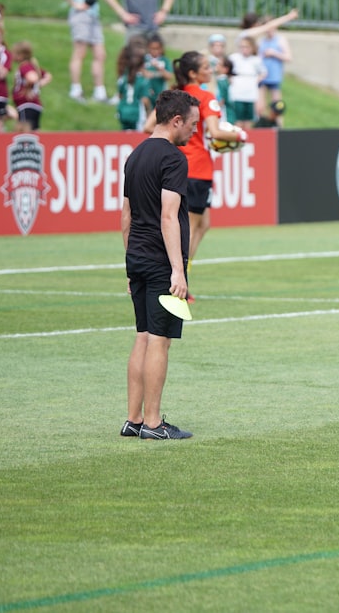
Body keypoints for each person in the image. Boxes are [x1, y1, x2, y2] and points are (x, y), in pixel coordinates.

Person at [121, 88, 200, 440]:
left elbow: (126, 215)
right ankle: (153, 423)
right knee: (159, 340)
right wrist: (178, 271)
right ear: (176, 120)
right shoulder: (172, 159)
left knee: (141, 337)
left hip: (137, 257)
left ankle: (133, 419)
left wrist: (128, 264)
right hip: (159, 262)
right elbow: (169, 216)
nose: (195, 132)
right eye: (193, 125)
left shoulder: (135, 155)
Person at [143, 51, 248, 302]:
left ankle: (179, 276)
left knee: (203, 223)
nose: (210, 70)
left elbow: (149, 126)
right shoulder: (205, 97)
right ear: (193, 73)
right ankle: (178, 280)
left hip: (176, 165)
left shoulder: (175, 95)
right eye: (205, 67)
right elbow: (215, 131)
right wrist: (239, 136)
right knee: (186, 228)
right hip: (197, 168)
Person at [54, 0, 109, 103]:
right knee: (80, 52)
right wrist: (74, 3)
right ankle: (76, 90)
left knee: (100, 53)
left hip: (93, 15)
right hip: (81, 15)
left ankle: (100, 92)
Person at [255, 21, 292, 127]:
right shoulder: (261, 41)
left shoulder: (280, 40)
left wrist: (274, 53)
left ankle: (279, 127)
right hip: (262, 77)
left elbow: (288, 57)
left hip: (274, 77)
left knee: (277, 106)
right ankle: (261, 126)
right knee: (260, 106)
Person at [11, 41, 52, 132]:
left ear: (20, 55)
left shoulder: (24, 66)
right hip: (34, 105)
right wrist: (38, 85)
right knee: (34, 130)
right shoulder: (33, 66)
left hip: (26, 105)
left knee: (23, 131)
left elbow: (32, 78)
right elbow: (48, 76)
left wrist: (28, 88)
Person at [227, 36, 265, 130]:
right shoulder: (234, 58)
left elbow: (263, 72)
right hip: (238, 92)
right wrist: (230, 78)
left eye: (247, 47)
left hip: (250, 93)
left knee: (248, 119)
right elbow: (227, 69)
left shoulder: (256, 60)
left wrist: (256, 80)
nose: (244, 49)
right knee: (238, 118)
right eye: (242, 47)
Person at [115, 42, 149, 131]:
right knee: (137, 139)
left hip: (123, 111)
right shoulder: (143, 80)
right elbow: (145, 100)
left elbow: (120, 95)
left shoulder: (123, 77)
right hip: (136, 112)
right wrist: (149, 112)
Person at [142, 34, 173, 113]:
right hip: (146, 94)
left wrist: (161, 70)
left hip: (160, 94)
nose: (155, 51)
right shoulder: (144, 60)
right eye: (152, 48)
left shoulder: (164, 61)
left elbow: (169, 77)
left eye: (157, 49)